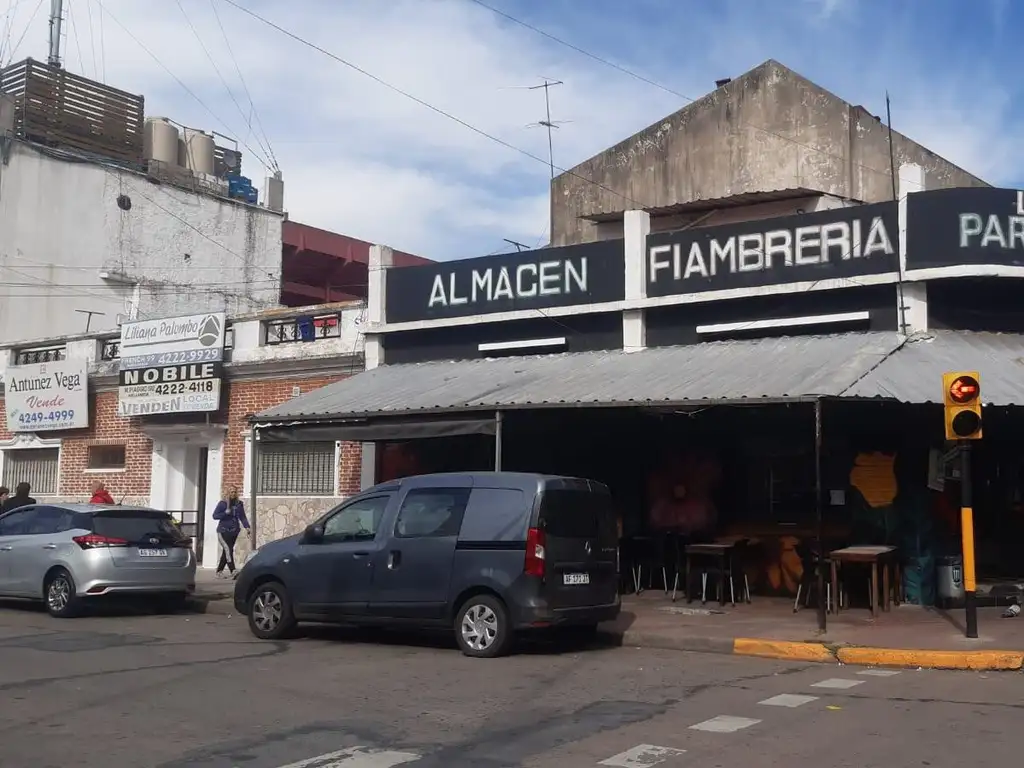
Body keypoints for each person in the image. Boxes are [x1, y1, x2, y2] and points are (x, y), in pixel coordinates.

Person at [212, 487, 250, 578]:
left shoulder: (239, 504)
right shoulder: (222, 503)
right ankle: (233, 570)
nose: (233, 494)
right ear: (228, 493)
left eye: (234, 492)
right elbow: (215, 516)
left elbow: (242, 516)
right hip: (223, 531)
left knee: (227, 551)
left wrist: (247, 527)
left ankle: (219, 572)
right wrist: (225, 513)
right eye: (231, 492)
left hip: (234, 531)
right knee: (228, 550)